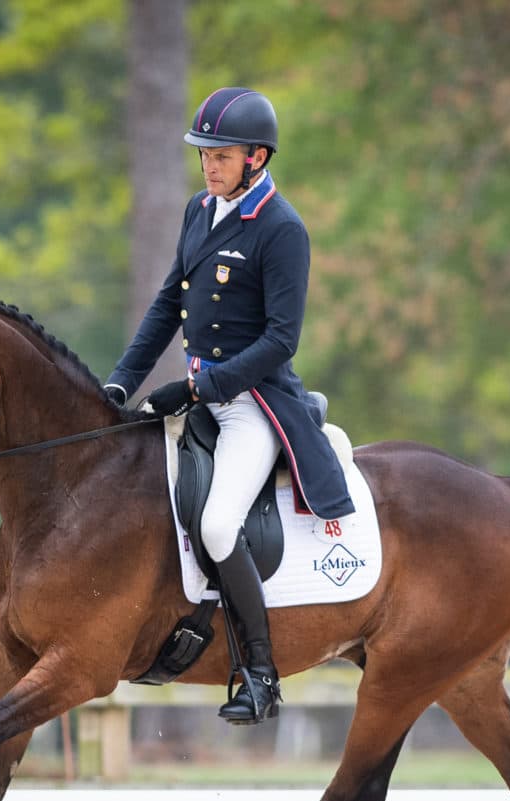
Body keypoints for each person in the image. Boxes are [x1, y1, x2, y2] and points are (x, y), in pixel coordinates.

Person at [104, 87, 355, 725]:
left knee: (217, 526)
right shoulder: (200, 210)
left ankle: (259, 675)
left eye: (221, 155)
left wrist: (194, 390)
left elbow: (280, 341)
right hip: (199, 398)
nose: (209, 166)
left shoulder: (282, 228)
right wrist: (119, 385)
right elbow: (167, 305)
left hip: (253, 405)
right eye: (204, 155)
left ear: (257, 158)